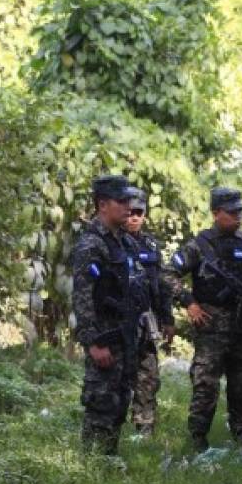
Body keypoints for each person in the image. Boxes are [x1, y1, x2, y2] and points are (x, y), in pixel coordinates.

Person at [165, 188, 242, 452]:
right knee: (206, 384)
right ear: (216, 213)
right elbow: (168, 273)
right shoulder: (200, 245)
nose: (237, 217)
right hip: (211, 327)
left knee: (241, 385)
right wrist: (189, 302)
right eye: (231, 212)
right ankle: (198, 439)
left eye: (239, 211)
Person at [71, 175, 149, 455]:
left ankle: (107, 462)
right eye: (122, 201)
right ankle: (91, 467)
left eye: (130, 200)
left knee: (120, 404)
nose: (129, 206)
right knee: (100, 405)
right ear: (103, 204)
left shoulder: (125, 243)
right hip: (104, 339)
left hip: (126, 338)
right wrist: (93, 342)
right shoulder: (92, 245)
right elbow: (82, 298)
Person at [123, 188, 175, 436]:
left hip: (147, 320)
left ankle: (144, 428)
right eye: (130, 212)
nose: (134, 217)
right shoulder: (112, 242)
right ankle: (113, 429)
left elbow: (162, 284)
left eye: (139, 213)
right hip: (120, 322)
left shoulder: (151, 245)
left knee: (148, 376)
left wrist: (168, 319)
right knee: (118, 377)